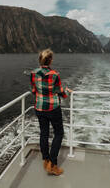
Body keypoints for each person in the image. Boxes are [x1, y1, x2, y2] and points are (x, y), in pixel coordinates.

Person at [30, 48, 72, 176]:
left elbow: (33, 90)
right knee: (59, 133)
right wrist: (67, 93)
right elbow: (60, 92)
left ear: (40, 60)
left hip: (39, 107)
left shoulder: (33, 73)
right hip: (53, 108)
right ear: (51, 60)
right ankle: (53, 165)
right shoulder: (55, 75)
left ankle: (46, 159)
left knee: (44, 133)